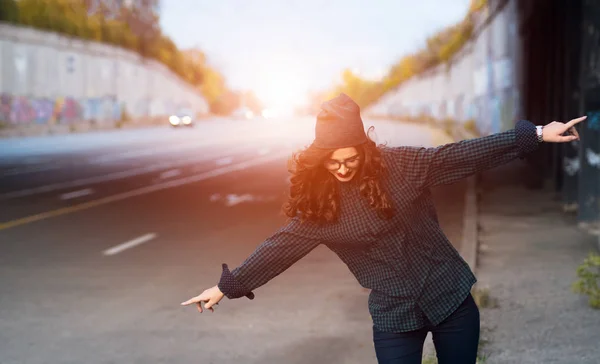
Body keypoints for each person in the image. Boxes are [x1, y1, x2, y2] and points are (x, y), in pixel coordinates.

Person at [181, 93, 586, 364]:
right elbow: (280, 247)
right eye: (330, 162)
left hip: (451, 299)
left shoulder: (403, 167)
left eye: (349, 159)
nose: (340, 168)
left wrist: (532, 135)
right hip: (393, 316)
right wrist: (226, 286)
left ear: (362, 149)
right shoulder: (318, 206)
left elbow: (461, 155)